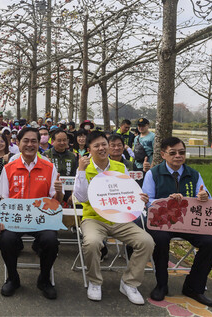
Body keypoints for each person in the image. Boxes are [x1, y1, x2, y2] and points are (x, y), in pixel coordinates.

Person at [73, 131, 154, 305]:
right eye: (96, 146)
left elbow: (127, 193)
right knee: (92, 242)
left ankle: (129, 283)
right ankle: (95, 281)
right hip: (93, 219)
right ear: (89, 149)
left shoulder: (120, 167)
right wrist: (81, 170)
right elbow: (80, 198)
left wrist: (140, 198)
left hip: (118, 219)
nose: (101, 148)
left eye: (104, 144)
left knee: (146, 241)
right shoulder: (84, 168)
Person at [142, 137, 212, 307]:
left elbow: (207, 197)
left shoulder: (194, 174)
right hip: (162, 222)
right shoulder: (153, 174)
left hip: (188, 222)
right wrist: (166, 201)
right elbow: (147, 201)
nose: (178, 156)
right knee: (160, 240)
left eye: (182, 152)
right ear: (163, 154)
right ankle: (162, 285)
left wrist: (204, 197)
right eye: (173, 153)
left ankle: (193, 287)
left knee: (211, 243)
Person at [0, 127, 64, 300]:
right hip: (16, 219)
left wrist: (60, 192)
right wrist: (0, 220)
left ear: (39, 144)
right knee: (6, 239)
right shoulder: (9, 168)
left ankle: (44, 279)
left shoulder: (49, 168)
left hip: (41, 220)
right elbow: (2, 198)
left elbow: (56, 202)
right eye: (25, 140)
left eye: (34, 141)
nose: (30, 144)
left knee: (51, 240)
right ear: (18, 144)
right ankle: (13, 278)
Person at [43, 129, 77, 203]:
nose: (62, 143)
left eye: (64, 140)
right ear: (53, 141)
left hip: (68, 192)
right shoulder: (46, 155)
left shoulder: (72, 156)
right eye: (59, 140)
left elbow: (75, 175)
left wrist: (73, 194)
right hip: (51, 192)